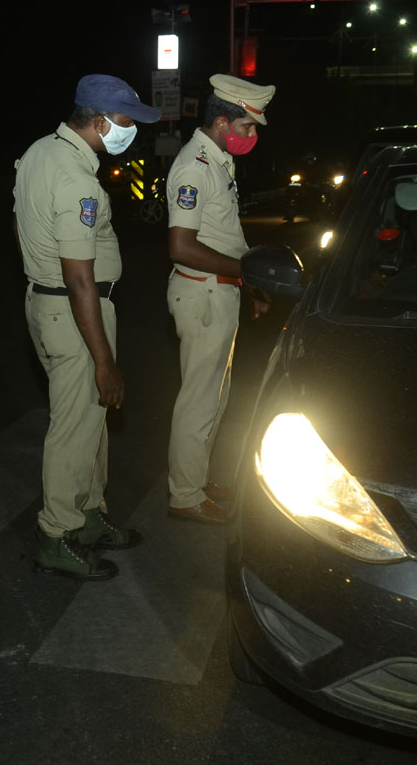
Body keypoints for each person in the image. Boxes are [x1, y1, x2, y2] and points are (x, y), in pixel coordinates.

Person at [13, 75, 160, 580]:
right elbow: (79, 277)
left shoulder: (40, 152)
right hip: (75, 310)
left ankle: (90, 515)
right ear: (98, 122)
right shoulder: (77, 181)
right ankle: (56, 534)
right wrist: (104, 361)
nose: (130, 132)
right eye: (125, 123)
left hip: (51, 303)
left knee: (93, 421)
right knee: (75, 427)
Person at [165, 74, 275, 525]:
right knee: (199, 399)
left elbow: (225, 237)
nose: (251, 136)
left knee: (216, 398)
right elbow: (181, 246)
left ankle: (198, 479)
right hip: (202, 293)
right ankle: (185, 495)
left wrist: (247, 284)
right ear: (224, 121)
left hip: (218, 291)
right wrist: (248, 273)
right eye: (248, 127)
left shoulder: (218, 161)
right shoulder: (195, 167)